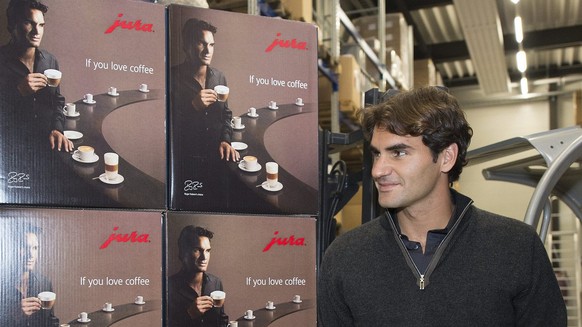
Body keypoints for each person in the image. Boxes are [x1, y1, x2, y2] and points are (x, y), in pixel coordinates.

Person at [317, 86, 567, 326]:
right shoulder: (344, 258)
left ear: (446, 157)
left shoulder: (516, 248)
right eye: (376, 154)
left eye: (399, 153)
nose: (378, 170)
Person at [0, 0, 73, 153]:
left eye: (41, 25)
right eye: (29, 23)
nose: (36, 31)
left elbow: (57, 102)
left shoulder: (50, 61)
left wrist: (57, 129)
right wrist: (17, 91)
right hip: (11, 149)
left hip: (47, 145)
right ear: (13, 25)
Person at [170, 17, 238, 163]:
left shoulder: (219, 77)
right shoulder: (171, 77)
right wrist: (192, 107)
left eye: (212, 45)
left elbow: (226, 115)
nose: (208, 50)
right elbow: (166, 127)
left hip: (217, 156)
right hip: (185, 159)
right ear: (187, 46)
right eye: (201, 43)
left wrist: (225, 140)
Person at [0, 223, 60, 327]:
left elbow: (49, 320)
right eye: (24, 247)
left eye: (35, 248)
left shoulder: (44, 283)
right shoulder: (2, 284)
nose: (31, 255)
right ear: (11, 249)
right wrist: (14, 316)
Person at [168, 225, 229, 327]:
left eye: (207, 251)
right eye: (197, 250)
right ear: (183, 253)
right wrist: (189, 314)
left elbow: (221, 319)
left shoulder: (216, 282)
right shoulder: (168, 287)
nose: (204, 257)